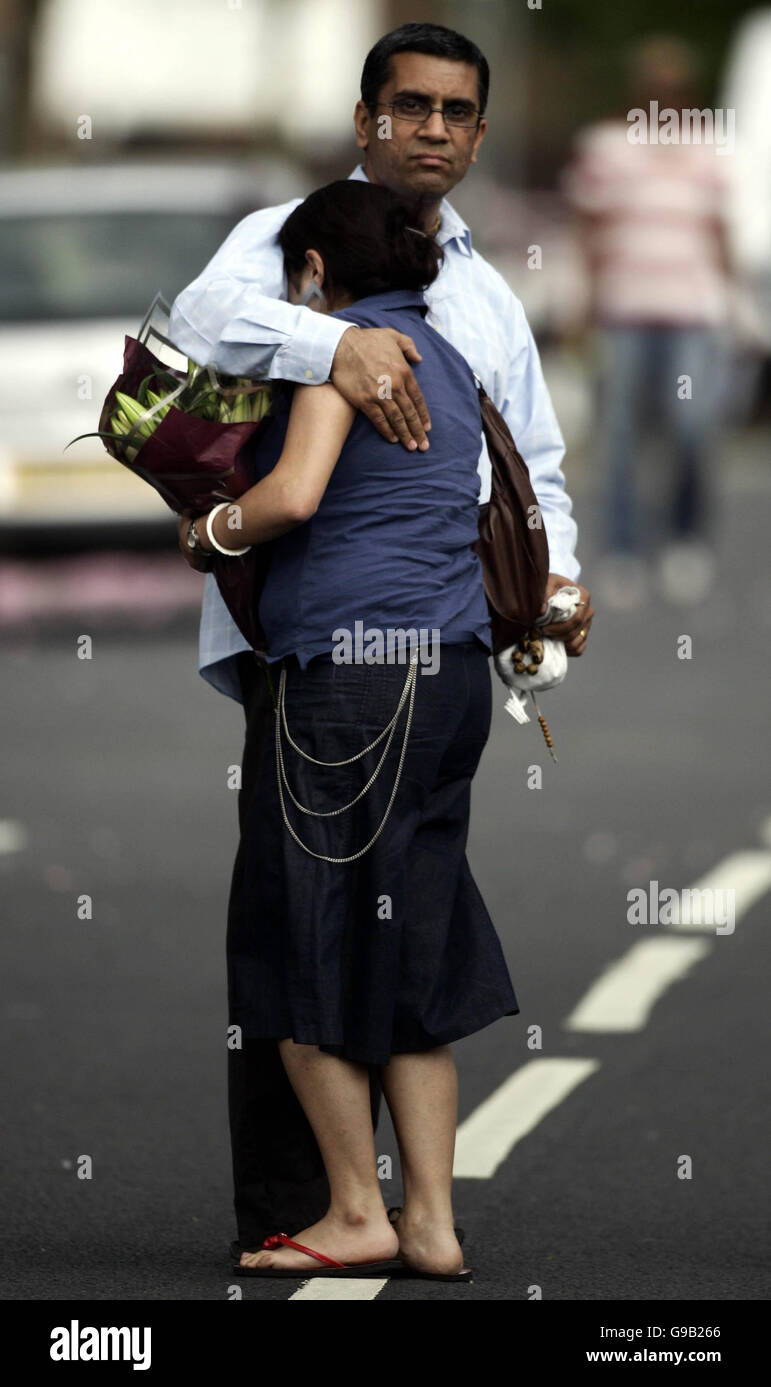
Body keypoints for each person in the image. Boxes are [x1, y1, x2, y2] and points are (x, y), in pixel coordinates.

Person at [172, 20, 593, 1264]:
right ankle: (375, 1213)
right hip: (405, 663)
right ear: (365, 121)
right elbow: (201, 325)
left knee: (311, 930)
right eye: (409, 106)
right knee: (359, 919)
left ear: (475, 129)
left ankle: (354, 1214)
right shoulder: (289, 236)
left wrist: (552, 594)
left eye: (458, 112)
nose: (434, 130)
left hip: (362, 662)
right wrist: (332, 345)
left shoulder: (486, 291)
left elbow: (535, 471)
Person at [562, 35, 732, 608]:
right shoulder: (608, 146)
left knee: (692, 428)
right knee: (620, 436)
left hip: (693, 315)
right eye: (653, 86)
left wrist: (734, 305)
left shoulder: (709, 149)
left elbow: (720, 232)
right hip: (624, 314)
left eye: (673, 86)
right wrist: (582, 303)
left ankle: (684, 537)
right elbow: (589, 231)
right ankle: (626, 549)